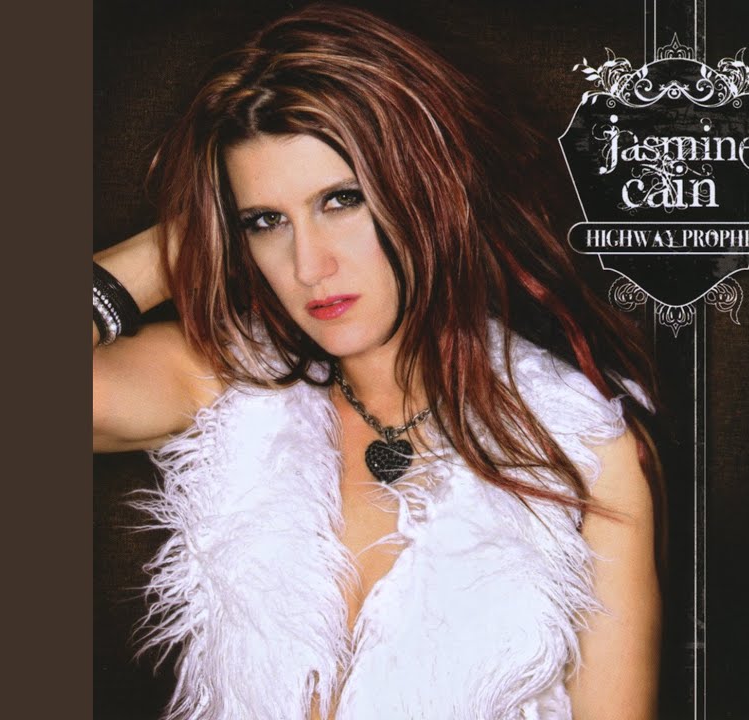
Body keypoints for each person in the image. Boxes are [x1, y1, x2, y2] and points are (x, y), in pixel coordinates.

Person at [93, 4, 663, 718]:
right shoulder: (229, 385)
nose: (308, 265)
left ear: (426, 189)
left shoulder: (580, 448)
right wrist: (185, 240)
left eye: (341, 201)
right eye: (266, 221)